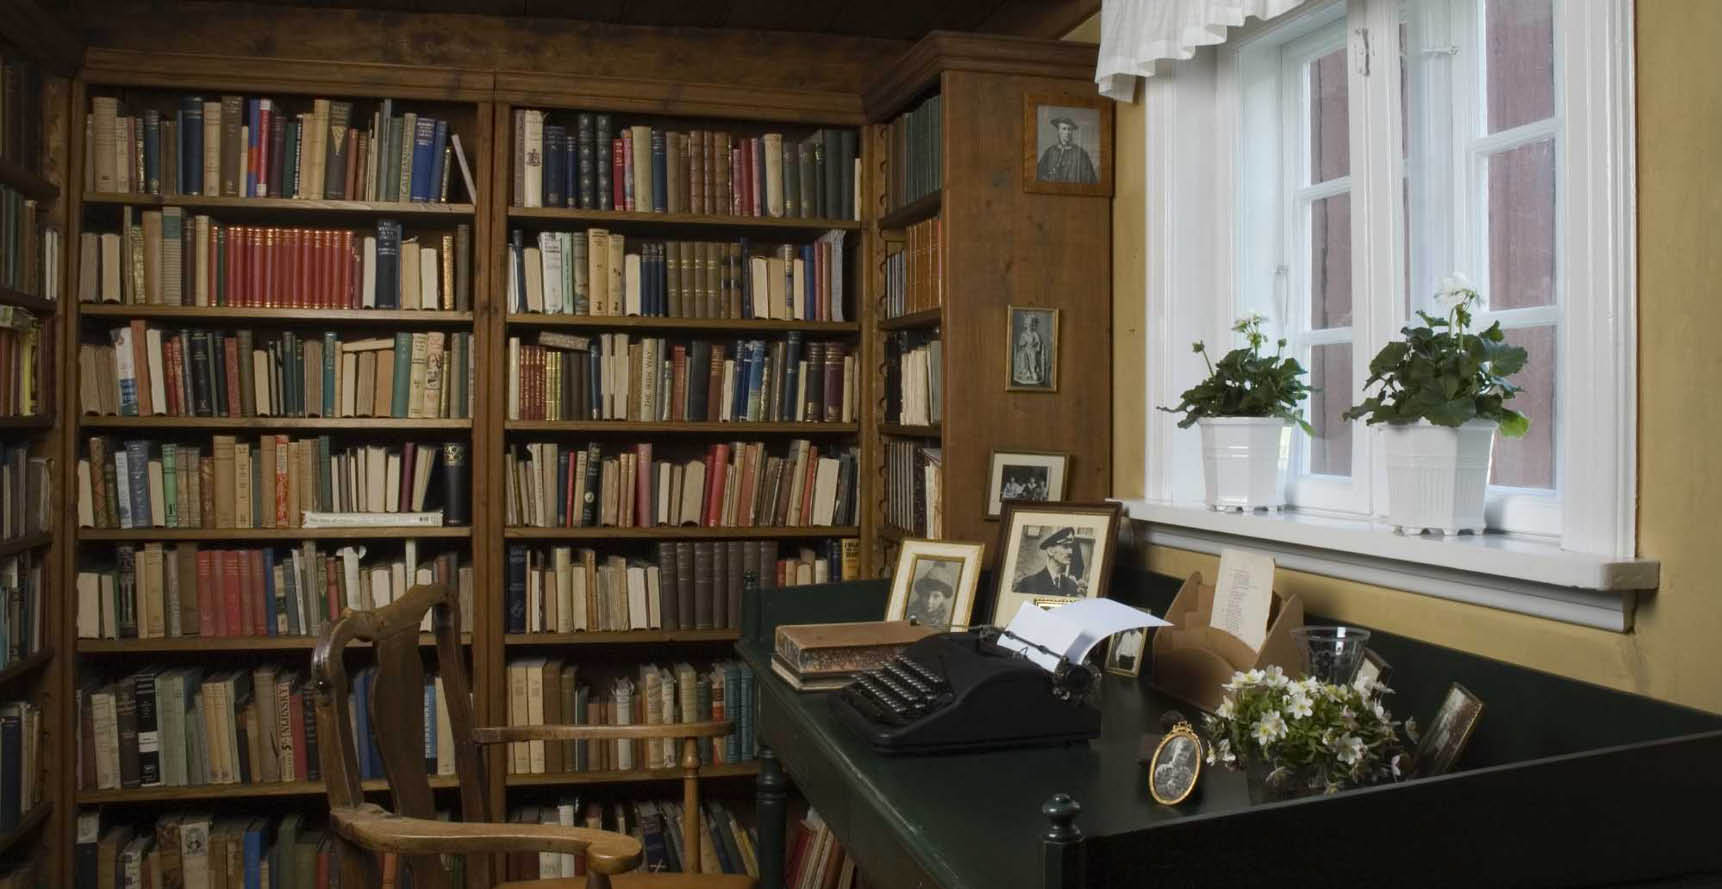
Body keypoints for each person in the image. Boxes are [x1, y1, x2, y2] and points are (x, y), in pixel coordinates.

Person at [1013, 527, 1086, 598]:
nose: (1071, 552)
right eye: (1065, 546)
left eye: (1071, 547)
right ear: (1050, 551)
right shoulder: (1029, 583)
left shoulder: (1071, 585)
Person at [1037, 116, 1099, 185]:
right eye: (1064, 129)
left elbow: (1089, 179)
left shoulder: (1081, 153)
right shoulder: (1050, 152)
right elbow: (1039, 174)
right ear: (1058, 131)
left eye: (1069, 129)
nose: (1067, 132)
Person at [1014, 316, 1047, 385]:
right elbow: (1020, 343)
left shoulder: (1035, 334)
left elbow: (1038, 342)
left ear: (1033, 325)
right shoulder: (1023, 334)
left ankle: (1033, 371)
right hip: (1025, 349)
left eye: (1031, 324)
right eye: (1028, 324)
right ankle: (1025, 372)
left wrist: (1036, 345)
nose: (1030, 326)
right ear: (1025, 325)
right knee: (1023, 355)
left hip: (1033, 349)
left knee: (1033, 354)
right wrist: (1023, 342)